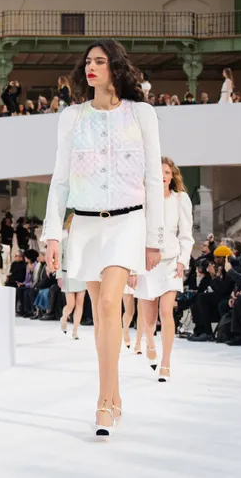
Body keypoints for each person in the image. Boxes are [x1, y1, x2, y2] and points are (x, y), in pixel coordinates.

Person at [41, 39, 163, 438]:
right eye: (88, 61)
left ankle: (103, 401)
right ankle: (115, 395)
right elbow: (60, 180)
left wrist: (155, 237)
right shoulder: (71, 117)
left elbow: (153, 180)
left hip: (128, 222)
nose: (91, 67)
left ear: (116, 67)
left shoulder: (141, 114)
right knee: (102, 315)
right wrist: (53, 235)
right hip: (85, 226)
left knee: (111, 302)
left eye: (100, 61)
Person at [135, 157, 194, 383]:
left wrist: (183, 261)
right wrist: (133, 266)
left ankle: (166, 363)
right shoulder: (143, 199)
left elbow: (186, 234)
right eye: (159, 172)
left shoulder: (180, 200)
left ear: (172, 176)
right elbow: (135, 232)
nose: (163, 176)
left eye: (167, 172)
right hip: (147, 262)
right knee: (149, 319)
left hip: (171, 262)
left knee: (166, 311)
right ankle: (150, 343)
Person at [57, 213, 86, 340]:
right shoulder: (63, 240)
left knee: (80, 304)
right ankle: (64, 318)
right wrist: (59, 276)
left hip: (81, 274)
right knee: (71, 304)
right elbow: (58, 259)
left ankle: (75, 331)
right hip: (67, 273)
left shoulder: (83, 241)